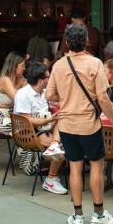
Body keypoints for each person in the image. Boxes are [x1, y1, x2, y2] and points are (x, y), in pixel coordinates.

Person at [47, 23, 113, 224]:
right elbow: (103, 98)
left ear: (67, 42)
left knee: (74, 168)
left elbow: (50, 95)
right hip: (89, 124)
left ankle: (78, 216)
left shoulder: (59, 65)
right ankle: (98, 214)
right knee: (97, 166)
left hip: (66, 125)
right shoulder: (95, 63)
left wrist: (67, 96)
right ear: (87, 41)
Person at [14, 60, 67, 195]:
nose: (50, 79)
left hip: (45, 128)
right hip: (28, 132)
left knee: (65, 120)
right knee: (64, 146)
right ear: (41, 80)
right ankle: (50, 179)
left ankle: (54, 144)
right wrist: (50, 119)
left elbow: (59, 101)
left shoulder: (44, 93)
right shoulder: (23, 94)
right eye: (48, 76)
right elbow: (27, 121)